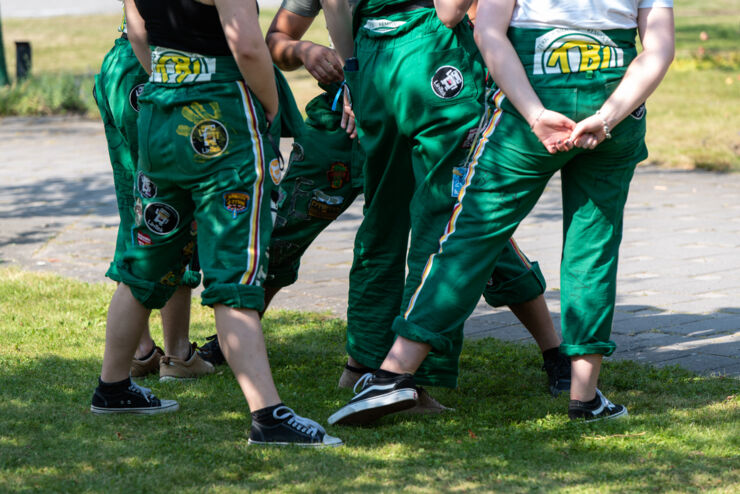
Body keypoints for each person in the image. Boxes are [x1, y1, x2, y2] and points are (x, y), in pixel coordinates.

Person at [197, 0, 572, 401]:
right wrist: (309, 53)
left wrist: (357, 77)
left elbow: (474, 20)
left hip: (391, 92)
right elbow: (280, 38)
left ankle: (551, 353)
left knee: (463, 235)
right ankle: (248, 335)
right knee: (301, 226)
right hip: (354, 116)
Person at [329, 0, 674, 425]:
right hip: (615, 94)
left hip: (532, 83)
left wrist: (534, 114)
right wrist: (607, 117)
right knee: (594, 247)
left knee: (470, 234)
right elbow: (658, 47)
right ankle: (584, 396)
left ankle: (393, 374)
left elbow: (487, 30)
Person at [90, 0, 342, 448]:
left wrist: (171, 84)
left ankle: (112, 387)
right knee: (234, 267)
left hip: (160, 108)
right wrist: (268, 106)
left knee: (145, 258)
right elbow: (246, 45)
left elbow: (139, 35)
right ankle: (268, 415)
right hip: (221, 114)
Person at [93, 5, 213, 382]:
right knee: (171, 206)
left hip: (120, 62)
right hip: (154, 64)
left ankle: (142, 351)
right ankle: (177, 354)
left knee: (137, 204)